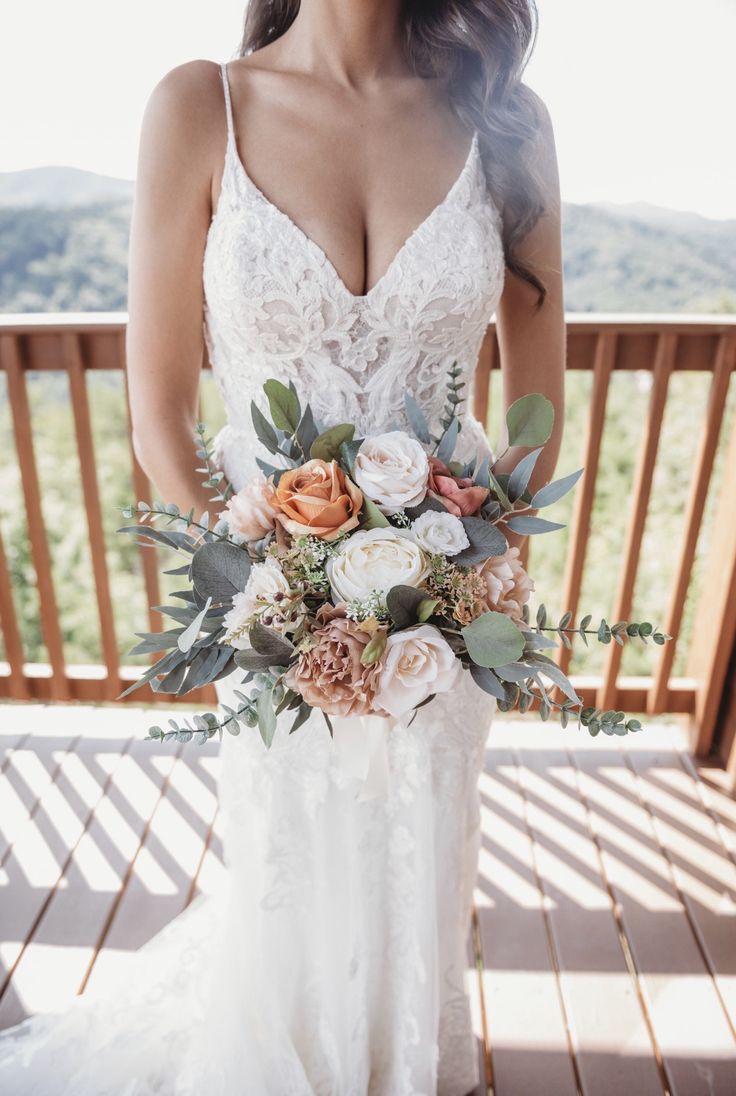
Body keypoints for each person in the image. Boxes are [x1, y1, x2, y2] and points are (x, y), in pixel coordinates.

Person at [0, 1, 564, 1092]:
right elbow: (159, 411)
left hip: (446, 610)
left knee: (418, 861)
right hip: (271, 608)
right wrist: (270, 575)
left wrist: (480, 575)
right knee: (292, 862)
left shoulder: (507, 117)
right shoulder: (199, 105)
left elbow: (535, 404)